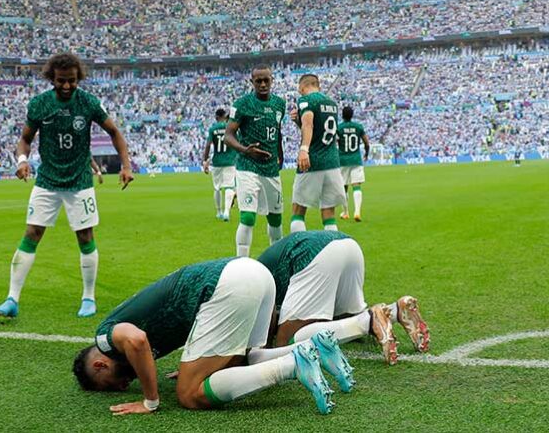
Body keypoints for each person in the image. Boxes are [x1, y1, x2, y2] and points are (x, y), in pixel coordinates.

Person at [72, 257, 353, 415]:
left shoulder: (104, 338)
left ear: (100, 365)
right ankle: (312, 346)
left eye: (110, 385)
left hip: (229, 285)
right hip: (252, 273)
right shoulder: (125, 333)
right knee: (244, 360)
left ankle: (293, 365)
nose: (122, 387)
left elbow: (136, 341)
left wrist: (150, 400)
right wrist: (194, 363)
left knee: (189, 394)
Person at [0, 53, 134, 319]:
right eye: (61, 81)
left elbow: (114, 132)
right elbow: (24, 139)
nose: (67, 86)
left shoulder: (89, 102)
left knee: (85, 236)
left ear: (78, 78)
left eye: (71, 81)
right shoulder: (40, 104)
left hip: (79, 181)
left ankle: (88, 298)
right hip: (47, 180)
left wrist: (126, 165)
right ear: (52, 79)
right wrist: (22, 160)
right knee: (32, 233)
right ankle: (12, 298)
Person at [257, 230, 430, 365]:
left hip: (313, 254)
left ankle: (369, 321)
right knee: (345, 319)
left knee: (286, 343)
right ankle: (395, 311)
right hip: (347, 245)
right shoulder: (250, 269)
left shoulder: (249, 286)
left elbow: (267, 316)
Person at [224, 66, 286, 256]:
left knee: (275, 220)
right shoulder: (242, 104)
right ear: (252, 82)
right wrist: (246, 151)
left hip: (271, 170)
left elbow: (277, 131)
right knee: (248, 217)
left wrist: (280, 155)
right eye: (258, 81)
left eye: (266, 80)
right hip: (247, 167)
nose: (262, 84)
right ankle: (242, 263)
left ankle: (276, 261)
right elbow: (228, 135)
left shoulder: (279, 104)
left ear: (272, 80)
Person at [288, 75, 345, 232]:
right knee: (329, 213)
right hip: (332, 162)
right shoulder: (332, 103)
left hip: (312, 161)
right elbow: (319, 128)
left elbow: (309, 124)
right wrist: (297, 121)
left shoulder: (307, 100)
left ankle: (299, 251)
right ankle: (333, 252)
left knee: (298, 210)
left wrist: (304, 149)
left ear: (302, 87)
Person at [202, 108, 237, 222]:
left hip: (217, 162)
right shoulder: (230, 127)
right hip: (230, 161)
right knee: (229, 186)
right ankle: (227, 212)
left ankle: (218, 212)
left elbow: (208, 145)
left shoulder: (213, 129)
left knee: (217, 187)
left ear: (216, 117)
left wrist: (205, 160)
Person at [335, 106, 370, 222]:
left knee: (343, 187)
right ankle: (357, 211)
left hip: (343, 160)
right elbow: (366, 142)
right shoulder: (358, 127)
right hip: (355, 159)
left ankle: (345, 212)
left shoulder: (339, 128)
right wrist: (366, 153)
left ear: (342, 115)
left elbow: (335, 142)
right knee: (356, 185)